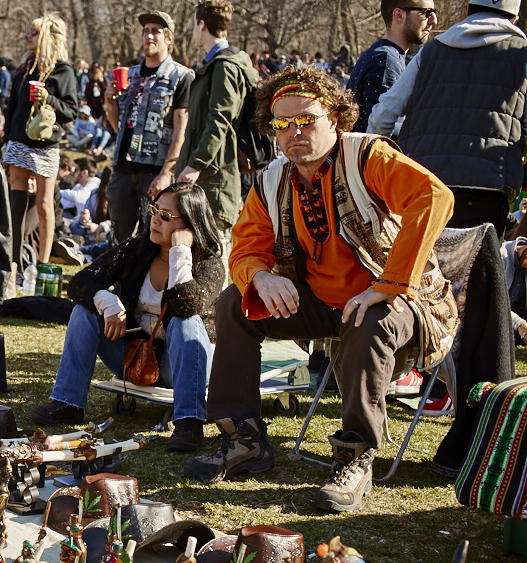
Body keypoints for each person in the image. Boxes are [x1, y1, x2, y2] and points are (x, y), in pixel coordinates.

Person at [184, 67, 456, 513]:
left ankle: (356, 457)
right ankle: (244, 438)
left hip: (399, 302)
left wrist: (388, 285)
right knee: (235, 301)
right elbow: (245, 248)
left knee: (370, 317)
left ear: (335, 117)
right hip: (321, 304)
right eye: (281, 124)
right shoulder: (272, 179)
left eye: (306, 119)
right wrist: (261, 276)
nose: (294, 132)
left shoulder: (368, 156)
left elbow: (434, 197)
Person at [27, 182, 223, 451]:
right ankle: (67, 403)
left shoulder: (209, 263)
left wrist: (180, 253)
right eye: (155, 210)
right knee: (84, 312)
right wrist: (108, 301)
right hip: (136, 358)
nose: (155, 219)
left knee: (184, 321)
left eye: (166, 216)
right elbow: (80, 282)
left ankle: (189, 421)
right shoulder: (135, 251)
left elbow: (187, 305)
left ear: (190, 224)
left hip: (184, 366)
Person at [369, 0, 527, 237]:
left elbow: (384, 114)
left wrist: (378, 174)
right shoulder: (521, 54)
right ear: (514, 18)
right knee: (479, 271)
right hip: (489, 187)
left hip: (422, 185)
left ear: (467, 11)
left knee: (423, 271)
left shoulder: (431, 51)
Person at [2, 13, 80, 302]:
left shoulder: (63, 71)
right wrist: (6, 139)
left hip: (46, 146)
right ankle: (11, 269)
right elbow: (11, 107)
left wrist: (48, 97)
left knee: (46, 206)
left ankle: (43, 268)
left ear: (47, 37)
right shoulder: (22, 69)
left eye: (34, 33)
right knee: (15, 206)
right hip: (18, 143)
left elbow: (71, 110)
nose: (28, 36)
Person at [175, 1, 259, 259]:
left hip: (215, 178)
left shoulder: (225, 66)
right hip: (206, 176)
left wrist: (195, 165)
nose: (193, 31)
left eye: (193, 24)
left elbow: (220, 121)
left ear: (202, 25)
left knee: (213, 257)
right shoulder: (215, 64)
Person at [106, 11, 193, 243]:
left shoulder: (181, 76)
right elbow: (119, 127)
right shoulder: (129, 75)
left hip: (154, 170)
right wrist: (110, 102)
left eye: (156, 31)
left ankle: (149, 280)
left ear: (169, 38)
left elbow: (180, 129)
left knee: (153, 237)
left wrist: (167, 173)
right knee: (119, 235)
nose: (149, 35)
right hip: (124, 167)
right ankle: (121, 279)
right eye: (146, 31)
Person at [347, 0, 435, 134]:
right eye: (426, 13)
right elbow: (377, 131)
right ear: (399, 15)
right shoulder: (386, 60)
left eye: (434, 12)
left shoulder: (381, 53)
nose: (433, 20)